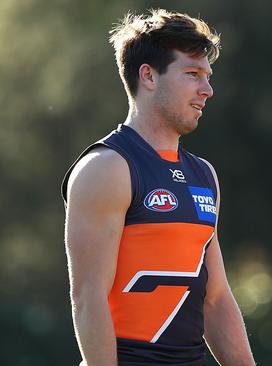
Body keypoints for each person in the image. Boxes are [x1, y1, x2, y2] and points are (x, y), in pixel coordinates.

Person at [62, 9, 255, 366]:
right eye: (193, 74)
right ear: (148, 76)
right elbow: (89, 298)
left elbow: (216, 298)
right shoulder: (106, 168)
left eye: (208, 76)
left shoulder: (204, 175)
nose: (207, 90)